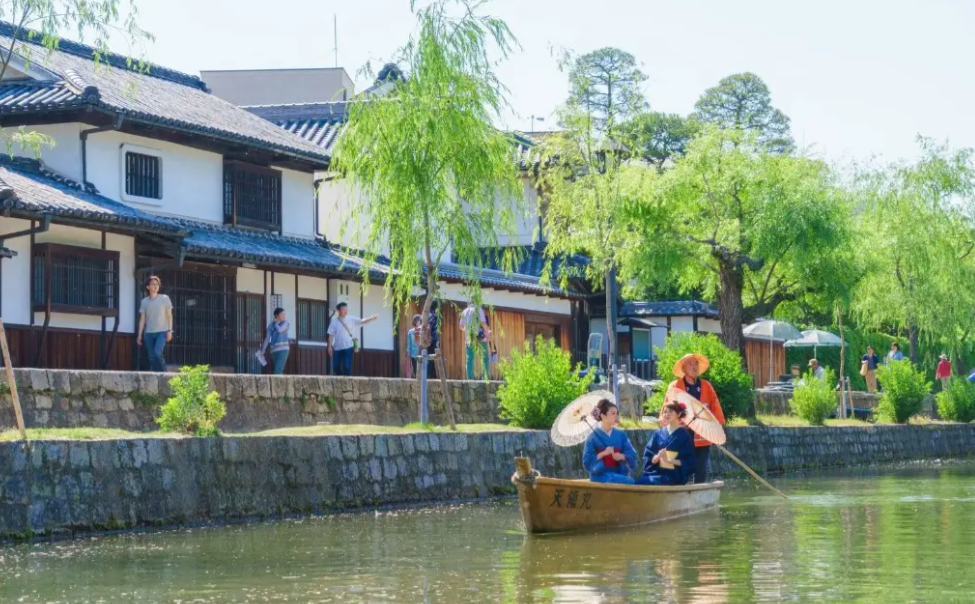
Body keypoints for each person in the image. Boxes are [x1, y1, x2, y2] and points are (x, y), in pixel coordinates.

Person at [668, 353, 725, 484]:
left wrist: (718, 428)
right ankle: (678, 490)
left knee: (701, 469)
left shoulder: (706, 386)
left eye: (696, 364)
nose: (694, 367)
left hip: (702, 434)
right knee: (679, 466)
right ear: (683, 368)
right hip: (681, 434)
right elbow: (667, 409)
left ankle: (698, 491)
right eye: (690, 364)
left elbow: (715, 406)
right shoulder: (675, 387)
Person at [636, 402, 696, 486]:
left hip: (674, 475)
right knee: (641, 481)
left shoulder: (684, 435)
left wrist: (668, 460)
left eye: (670, 411)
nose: (667, 414)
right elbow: (649, 456)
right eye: (665, 412)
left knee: (649, 482)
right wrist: (657, 457)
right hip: (657, 472)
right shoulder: (658, 433)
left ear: (678, 414)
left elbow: (689, 462)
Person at [582, 398, 637, 485]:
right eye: (613, 413)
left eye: (617, 413)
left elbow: (632, 454)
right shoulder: (592, 437)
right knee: (629, 482)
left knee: (629, 481)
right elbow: (587, 461)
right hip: (600, 475)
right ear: (603, 416)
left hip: (619, 473)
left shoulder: (621, 435)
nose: (616, 416)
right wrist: (603, 453)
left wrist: (622, 456)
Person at [327, 302, 379, 376]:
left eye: (346, 309)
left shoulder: (351, 319)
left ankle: (347, 380)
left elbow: (362, 321)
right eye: (343, 309)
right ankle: (341, 378)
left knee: (347, 367)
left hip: (348, 346)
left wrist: (371, 318)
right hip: (337, 347)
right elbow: (331, 334)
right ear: (338, 311)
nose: (346, 311)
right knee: (335, 366)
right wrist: (329, 346)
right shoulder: (334, 321)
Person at [136, 275, 173, 373]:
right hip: (148, 333)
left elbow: (169, 315)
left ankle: (164, 375)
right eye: (152, 284)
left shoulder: (164, 298)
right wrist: (139, 335)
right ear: (148, 287)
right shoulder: (144, 302)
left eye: (157, 284)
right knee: (151, 356)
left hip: (162, 331)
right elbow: (142, 319)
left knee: (157, 353)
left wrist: (169, 331)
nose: (155, 286)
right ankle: (157, 375)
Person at [460, 300, 491, 380]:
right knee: (484, 358)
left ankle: (470, 378)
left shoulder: (464, 311)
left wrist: (468, 330)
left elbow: (461, 326)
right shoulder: (478, 309)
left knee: (469, 358)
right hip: (480, 338)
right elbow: (483, 323)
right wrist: (488, 333)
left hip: (469, 338)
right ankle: (485, 378)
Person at [260, 308, 290, 375]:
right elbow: (267, 339)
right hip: (273, 351)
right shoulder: (271, 325)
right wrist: (262, 351)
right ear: (276, 315)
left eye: (284, 314)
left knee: (278, 370)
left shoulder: (286, 323)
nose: (284, 316)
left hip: (283, 350)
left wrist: (276, 324)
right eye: (282, 314)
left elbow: (280, 330)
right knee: (276, 371)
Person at [406, 314, 422, 378]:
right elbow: (409, 343)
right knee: (415, 369)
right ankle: (417, 381)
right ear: (414, 321)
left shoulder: (423, 331)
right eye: (417, 320)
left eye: (419, 320)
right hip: (413, 354)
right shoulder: (410, 332)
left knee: (422, 369)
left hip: (421, 353)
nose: (418, 322)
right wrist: (408, 353)